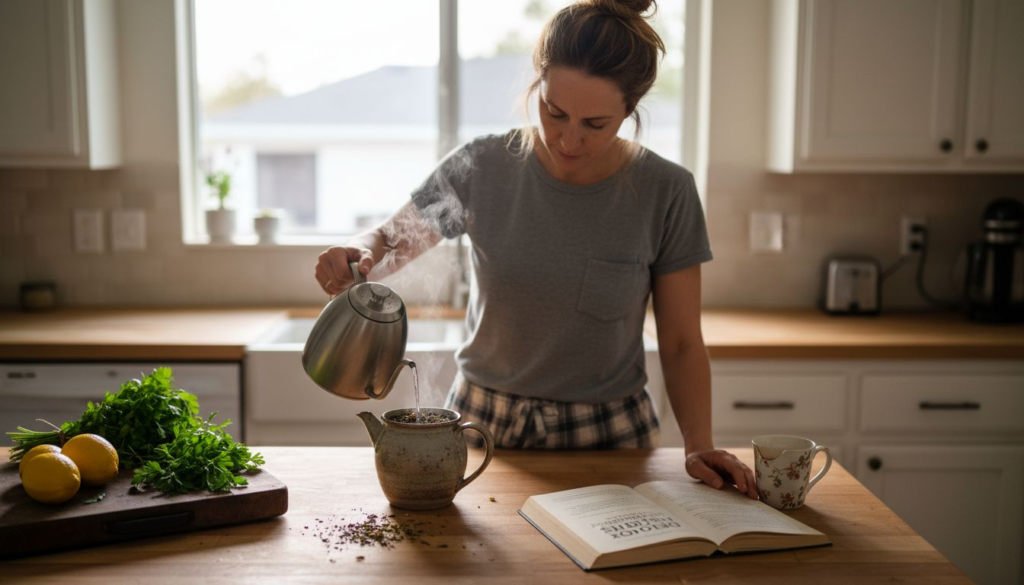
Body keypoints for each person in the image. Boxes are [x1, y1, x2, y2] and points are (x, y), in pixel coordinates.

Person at [315, 0, 758, 499]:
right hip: (484, 425)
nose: (569, 139)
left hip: (610, 433)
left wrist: (698, 445)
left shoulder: (666, 191)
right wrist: (355, 251)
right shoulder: (482, 168)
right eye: (555, 112)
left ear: (629, 111)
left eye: (595, 123)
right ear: (538, 87)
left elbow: (680, 342)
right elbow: (391, 241)